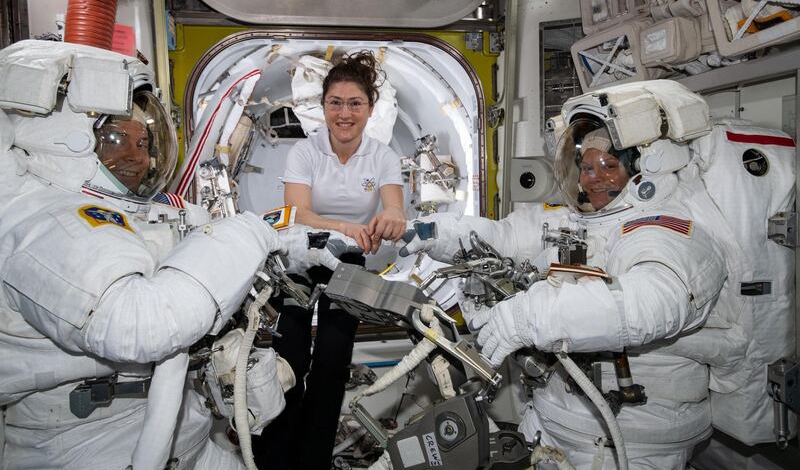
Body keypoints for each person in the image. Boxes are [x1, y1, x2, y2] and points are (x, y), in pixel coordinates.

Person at [0, 40, 343, 470]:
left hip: (182, 430)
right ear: (60, 139)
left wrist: (291, 246)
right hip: (87, 445)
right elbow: (140, 324)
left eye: (144, 142)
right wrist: (253, 233)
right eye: (114, 138)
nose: (135, 157)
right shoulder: (38, 223)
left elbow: (206, 246)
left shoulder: (143, 214)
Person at [402, 80, 739, 469]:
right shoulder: (576, 220)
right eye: (585, 166)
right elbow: (506, 237)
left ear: (647, 169)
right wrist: (434, 233)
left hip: (629, 441)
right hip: (552, 421)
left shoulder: (668, 229)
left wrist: (530, 316)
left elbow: (654, 303)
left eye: (608, 167)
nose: (592, 178)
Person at [255, 51, 405, 470]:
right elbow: (297, 213)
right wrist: (344, 224)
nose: (344, 113)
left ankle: (314, 459)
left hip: (349, 259)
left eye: (354, 103)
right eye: (335, 102)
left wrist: (392, 216)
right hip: (302, 254)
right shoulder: (304, 152)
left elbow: (394, 206)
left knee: (333, 360)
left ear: (369, 109)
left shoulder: (383, 156)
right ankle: (276, 455)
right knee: (291, 357)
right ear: (323, 107)